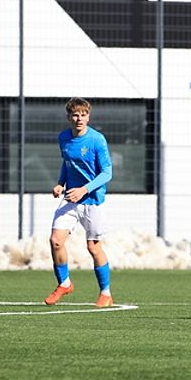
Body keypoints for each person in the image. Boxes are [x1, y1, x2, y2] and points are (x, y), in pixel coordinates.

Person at [44, 97, 115, 308]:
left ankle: (106, 293)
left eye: (84, 115)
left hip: (92, 200)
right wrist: (60, 183)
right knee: (56, 241)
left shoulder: (97, 140)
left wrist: (84, 189)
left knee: (93, 247)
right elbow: (68, 163)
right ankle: (64, 284)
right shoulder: (64, 138)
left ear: (88, 117)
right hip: (70, 199)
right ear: (69, 117)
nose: (79, 119)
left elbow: (107, 173)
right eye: (75, 115)